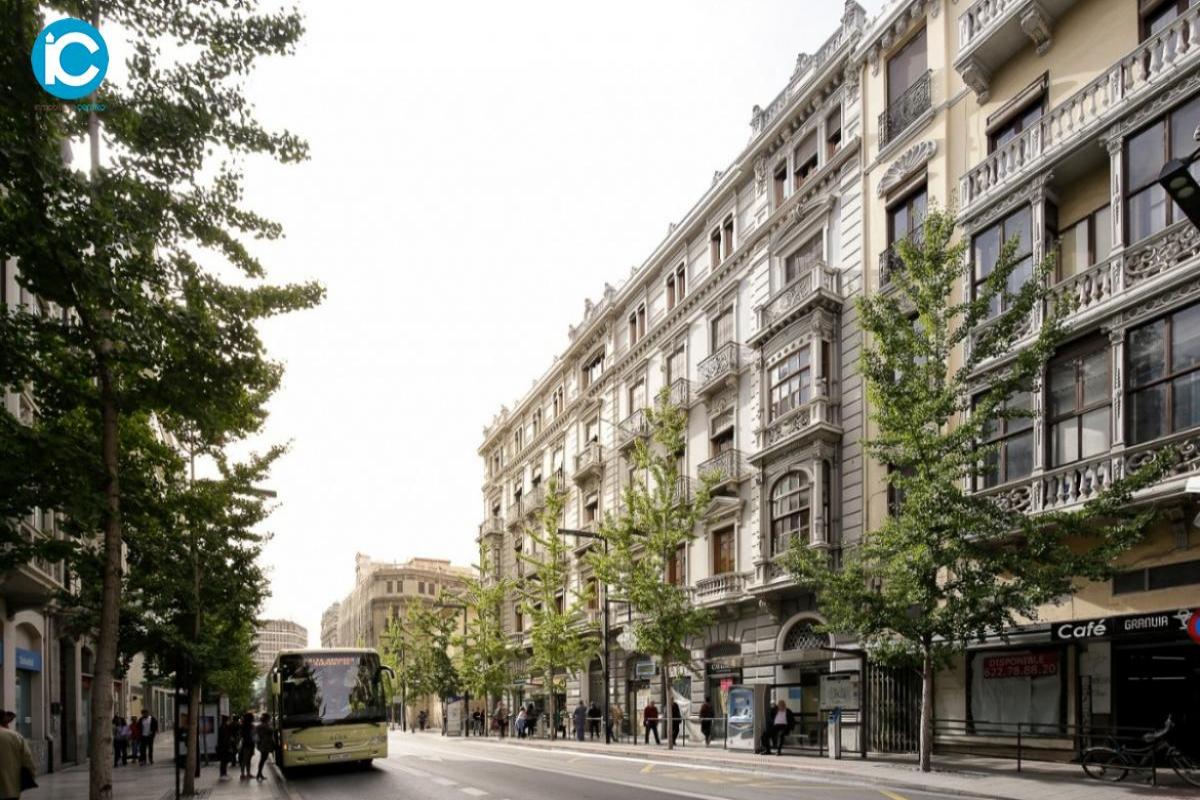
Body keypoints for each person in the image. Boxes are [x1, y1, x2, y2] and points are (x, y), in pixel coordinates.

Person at [256, 713, 274, 781]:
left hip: (261, 744)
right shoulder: (265, 726)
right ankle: (259, 774)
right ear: (267, 719)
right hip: (265, 744)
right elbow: (270, 732)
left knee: (262, 759)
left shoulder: (259, 726)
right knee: (263, 759)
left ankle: (259, 774)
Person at [238, 712, 256, 780]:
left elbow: (241, 735)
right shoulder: (249, 726)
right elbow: (252, 735)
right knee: (246, 760)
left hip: (247, 744)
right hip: (248, 744)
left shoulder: (243, 726)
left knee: (247, 759)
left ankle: (246, 773)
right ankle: (243, 774)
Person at [217, 715, 231, 779]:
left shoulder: (224, 727)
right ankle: (222, 774)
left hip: (223, 746)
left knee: (225, 761)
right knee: (223, 761)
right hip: (223, 747)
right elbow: (224, 738)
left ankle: (224, 773)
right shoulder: (223, 727)